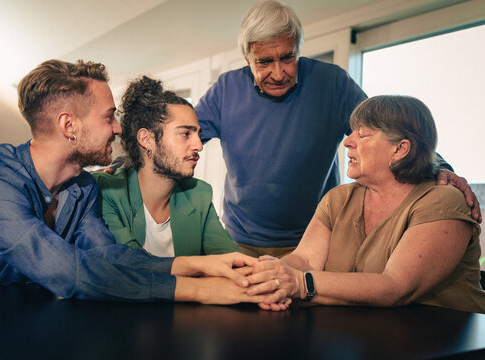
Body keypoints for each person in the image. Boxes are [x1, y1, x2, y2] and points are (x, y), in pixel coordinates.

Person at [0, 59, 280, 307]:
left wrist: (198, 264)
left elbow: (109, 256)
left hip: (22, 317)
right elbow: (66, 272)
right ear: (69, 126)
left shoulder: (83, 187)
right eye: (109, 116)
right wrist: (198, 289)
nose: (119, 129)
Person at [194, 0, 482, 258]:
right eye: (265, 62)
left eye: (288, 58)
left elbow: (390, 133)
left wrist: (439, 165)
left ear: (299, 51)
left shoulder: (331, 83)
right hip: (240, 240)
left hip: (316, 239)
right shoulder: (225, 90)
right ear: (248, 59)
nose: (279, 73)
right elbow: (183, 138)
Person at [245, 95, 485, 313]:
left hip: (446, 344)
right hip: (363, 338)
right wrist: (267, 276)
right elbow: (305, 259)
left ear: (400, 149)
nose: (347, 142)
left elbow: (396, 286)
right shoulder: (339, 199)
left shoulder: (443, 201)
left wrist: (298, 283)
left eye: (362, 135)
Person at [93, 76, 239, 256]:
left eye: (197, 134)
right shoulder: (107, 191)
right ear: (146, 139)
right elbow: (129, 266)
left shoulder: (198, 194)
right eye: (185, 133)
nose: (199, 145)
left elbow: (230, 259)